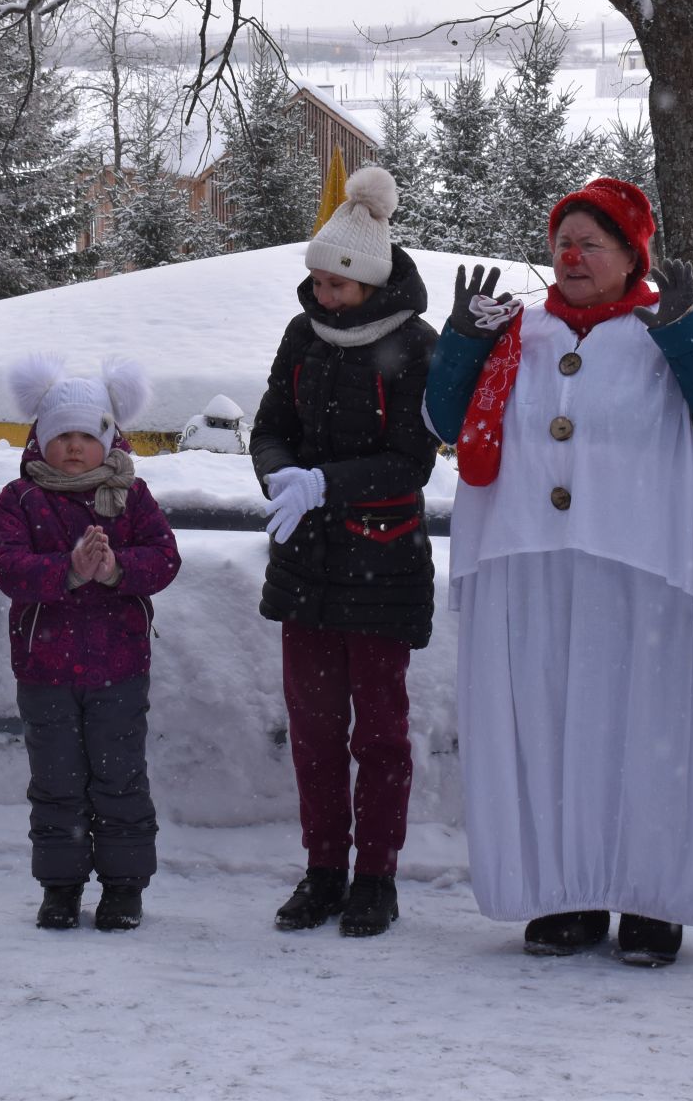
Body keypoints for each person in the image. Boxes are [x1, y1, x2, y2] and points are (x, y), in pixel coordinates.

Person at [424, 177, 693, 966]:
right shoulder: (518, 333)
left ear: (631, 254)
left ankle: (652, 901)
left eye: (592, 243)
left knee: (647, 732)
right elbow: (448, 423)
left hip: (645, 566)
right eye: (562, 242)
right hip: (529, 562)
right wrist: (462, 341)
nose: (572, 256)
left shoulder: (684, 327)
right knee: (546, 728)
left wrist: (683, 333)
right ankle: (566, 894)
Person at [250, 166, 437, 938]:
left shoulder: (414, 344)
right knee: (316, 729)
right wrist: (278, 475)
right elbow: (268, 425)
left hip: (382, 564)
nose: (323, 296)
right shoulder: (302, 335)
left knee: (380, 735)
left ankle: (376, 878)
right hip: (307, 565)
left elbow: (412, 461)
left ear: (368, 280)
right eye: (317, 281)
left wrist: (325, 483)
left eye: (337, 286)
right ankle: (323, 868)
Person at [0, 356, 180, 932]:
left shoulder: (132, 495)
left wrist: (118, 569)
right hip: (44, 669)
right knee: (56, 780)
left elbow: (164, 557)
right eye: (61, 436)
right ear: (41, 439)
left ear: (109, 438)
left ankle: (124, 887)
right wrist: (66, 572)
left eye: (86, 436)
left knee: (120, 776)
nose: (74, 448)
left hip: (119, 667)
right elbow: (7, 564)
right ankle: (61, 885)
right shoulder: (19, 498)